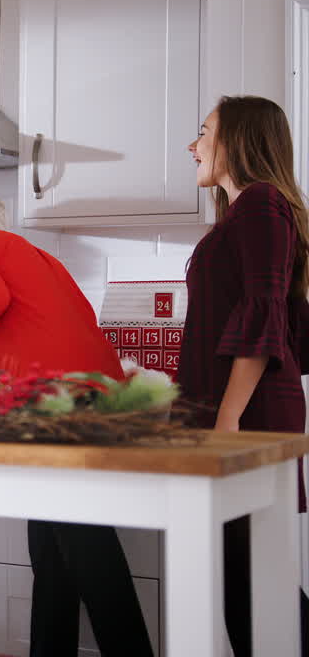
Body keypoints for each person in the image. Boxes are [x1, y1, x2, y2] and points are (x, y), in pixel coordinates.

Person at [0, 184, 154, 657]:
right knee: (52, 546)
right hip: (94, 396)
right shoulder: (30, 252)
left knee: (85, 543)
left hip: (51, 400)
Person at [178, 95, 309, 657]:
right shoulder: (251, 211)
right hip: (236, 409)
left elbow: (266, 315)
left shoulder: (259, 204)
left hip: (244, 414)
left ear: (239, 140)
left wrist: (226, 419)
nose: (193, 145)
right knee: (254, 583)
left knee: (251, 588)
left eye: (204, 132)